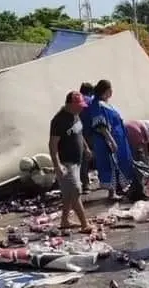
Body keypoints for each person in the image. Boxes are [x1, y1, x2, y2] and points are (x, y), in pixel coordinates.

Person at [86, 80, 139, 201]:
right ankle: (112, 192)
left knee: (120, 163)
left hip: (118, 139)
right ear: (106, 91)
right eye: (110, 90)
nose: (112, 92)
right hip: (107, 141)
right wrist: (110, 140)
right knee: (111, 165)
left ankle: (119, 189)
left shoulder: (106, 104)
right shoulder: (97, 105)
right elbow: (100, 125)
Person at [49, 91, 92, 232]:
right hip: (66, 163)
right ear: (70, 104)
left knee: (68, 194)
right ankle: (85, 224)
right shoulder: (58, 120)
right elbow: (52, 145)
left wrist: (86, 148)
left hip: (77, 161)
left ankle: (65, 221)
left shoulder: (76, 116)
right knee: (75, 192)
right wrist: (57, 165)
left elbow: (79, 134)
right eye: (79, 105)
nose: (81, 108)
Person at [78, 82, 96, 193]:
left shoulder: (76, 101)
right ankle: (111, 184)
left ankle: (85, 185)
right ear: (90, 92)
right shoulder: (91, 101)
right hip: (91, 133)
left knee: (83, 161)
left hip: (78, 135)